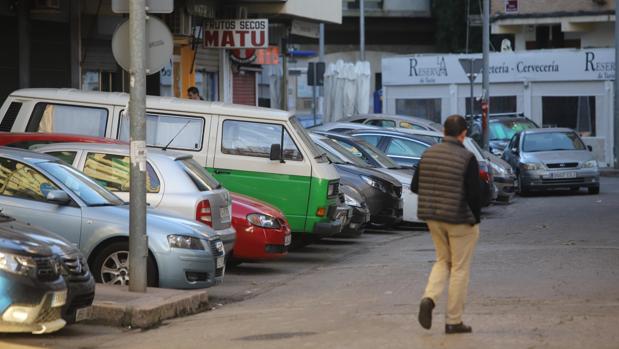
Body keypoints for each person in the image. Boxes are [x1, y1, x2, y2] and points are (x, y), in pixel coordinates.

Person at [411, 114, 481, 334]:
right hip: (459, 220)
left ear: (443, 132)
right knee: (460, 268)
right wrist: (475, 218)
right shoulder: (467, 157)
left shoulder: (427, 154)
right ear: (463, 134)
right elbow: (475, 195)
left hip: (433, 218)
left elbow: (415, 186)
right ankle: (453, 320)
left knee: (443, 260)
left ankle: (429, 299)